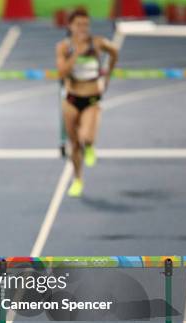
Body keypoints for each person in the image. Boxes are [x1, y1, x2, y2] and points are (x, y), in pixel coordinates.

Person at [56, 7, 119, 197]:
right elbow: (61, 73)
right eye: (78, 24)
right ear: (70, 26)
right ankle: (77, 179)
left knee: (87, 138)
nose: (83, 28)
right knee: (74, 145)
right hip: (71, 99)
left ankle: (90, 145)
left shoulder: (98, 43)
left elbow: (114, 53)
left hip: (91, 99)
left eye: (86, 24)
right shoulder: (64, 47)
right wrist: (76, 53)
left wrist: (107, 74)